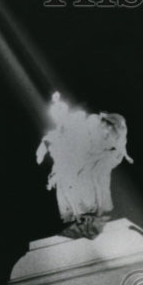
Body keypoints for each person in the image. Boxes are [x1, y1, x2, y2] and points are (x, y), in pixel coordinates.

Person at [36, 92, 132, 235]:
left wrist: (119, 149)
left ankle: (92, 214)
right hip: (74, 166)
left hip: (92, 160)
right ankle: (81, 216)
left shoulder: (84, 122)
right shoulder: (62, 132)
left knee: (91, 184)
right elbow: (52, 144)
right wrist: (43, 152)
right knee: (70, 187)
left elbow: (104, 136)